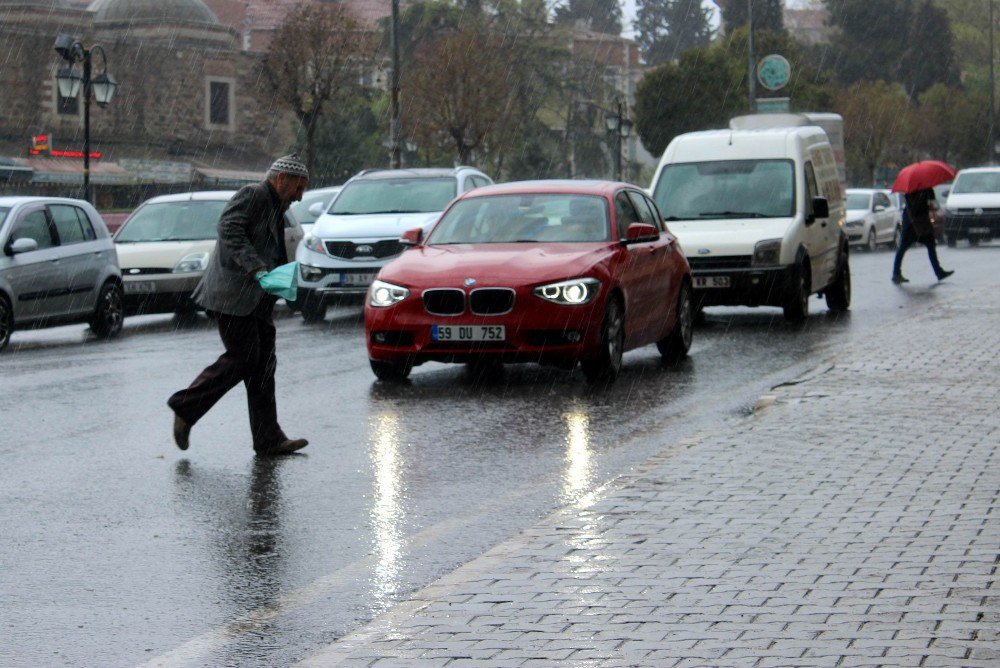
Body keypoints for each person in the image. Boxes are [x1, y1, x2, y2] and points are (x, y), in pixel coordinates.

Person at [168, 154, 310, 456]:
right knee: (246, 358)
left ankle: (268, 439)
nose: (300, 196)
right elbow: (229, 229)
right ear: (281, 178)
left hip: (255, 299)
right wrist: (256, 268)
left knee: (263, 365)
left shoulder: (276, 206)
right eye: (298, 188)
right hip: (232, 297)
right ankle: (185, 406)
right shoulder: (253, 194)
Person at [892, 187, 953, 284]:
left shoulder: (923, 189)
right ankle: (896, 274)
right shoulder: (912, 191)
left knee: (930, 245)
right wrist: (926, 194)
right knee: (904, 247)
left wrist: (928, 192)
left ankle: (939, 272)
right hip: (913, 224)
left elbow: (931, 200)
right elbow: (916, 207)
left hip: (919, 223)